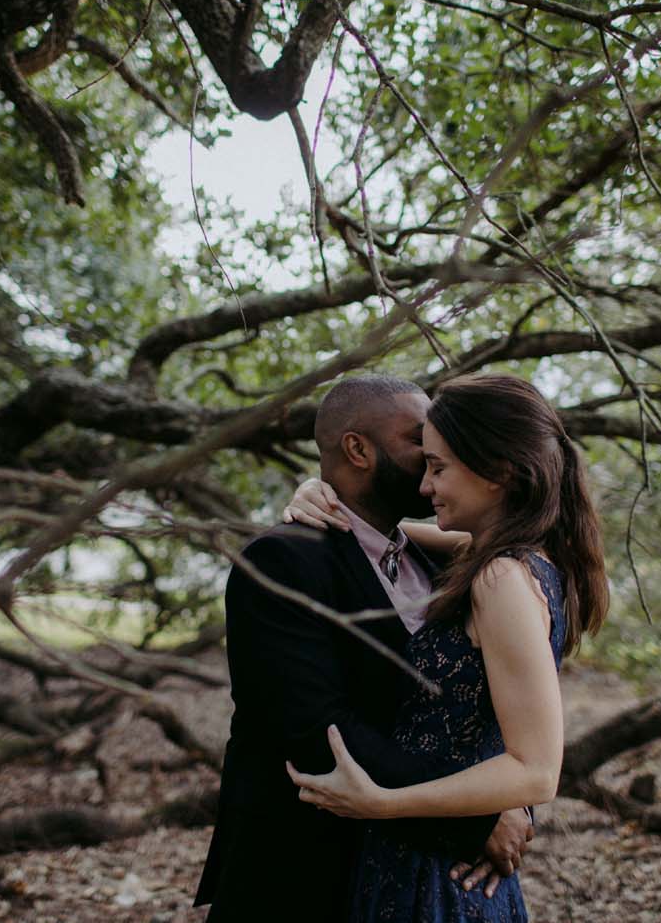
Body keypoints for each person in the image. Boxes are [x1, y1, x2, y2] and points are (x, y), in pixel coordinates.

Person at [194, 374, 535, 923]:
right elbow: (314, 731)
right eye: (419, 443)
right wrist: (476, 818)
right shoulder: (282, 563)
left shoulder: (449, 563)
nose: (433, 459)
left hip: (413, 878)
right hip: (305, 877)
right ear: (357, 449)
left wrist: (502, 794)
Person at [284, 373, 608, 922]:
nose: (425, 486)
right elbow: (385, 536)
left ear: (500, 471)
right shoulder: (507, 554)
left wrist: (385, 803)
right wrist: (318, 493)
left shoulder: (501, 579)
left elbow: (536, 772)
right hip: (423, 858)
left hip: (439, 871)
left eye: (438, 468)